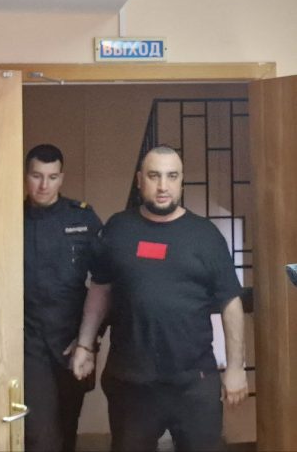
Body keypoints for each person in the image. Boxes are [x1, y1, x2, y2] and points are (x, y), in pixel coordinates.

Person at [72, 145, 248, 452]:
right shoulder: (118, 228)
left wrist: (235, 367)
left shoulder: (205, 235)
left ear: (181, 181)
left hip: (194, 382)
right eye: (154, 176)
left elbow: (230, 303)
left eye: (172, 176)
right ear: (140, 180)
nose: (163, 185)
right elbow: (100, 289)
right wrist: (85, 345)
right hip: (131, 382)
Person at [23, 144, 103, 452]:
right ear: (26, 176)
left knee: (67, 429)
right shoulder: (10, 219)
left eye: (52, 177)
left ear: (62, 178)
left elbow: (106, 283)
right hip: (29, 343)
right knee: (39, 435)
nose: (44, 185)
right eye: (37, 176)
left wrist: (90, 341)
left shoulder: (82, 218)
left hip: (72, 343)